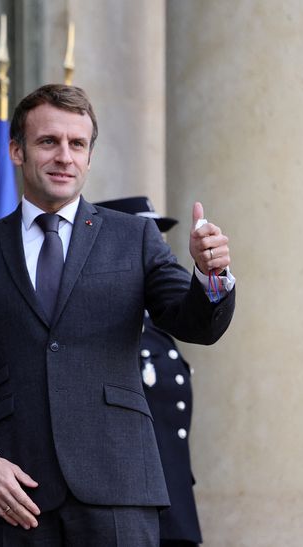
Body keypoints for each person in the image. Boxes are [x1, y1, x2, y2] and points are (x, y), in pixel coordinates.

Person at [0, 84, 235, 546]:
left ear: (90, 157)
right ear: (16, 150)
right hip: (17, 494)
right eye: (48, 141)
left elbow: (192, 322)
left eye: (77, 144)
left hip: (119, 487)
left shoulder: (133, 238)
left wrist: (211, 276)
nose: (64, 157)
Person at [96, 196, 205, 546]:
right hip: (127, 502)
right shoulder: (104, 324)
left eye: (157, 238)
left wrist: (209, 276)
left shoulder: (156, 328)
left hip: (170, 498)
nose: (157, 249)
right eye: (148, 237)